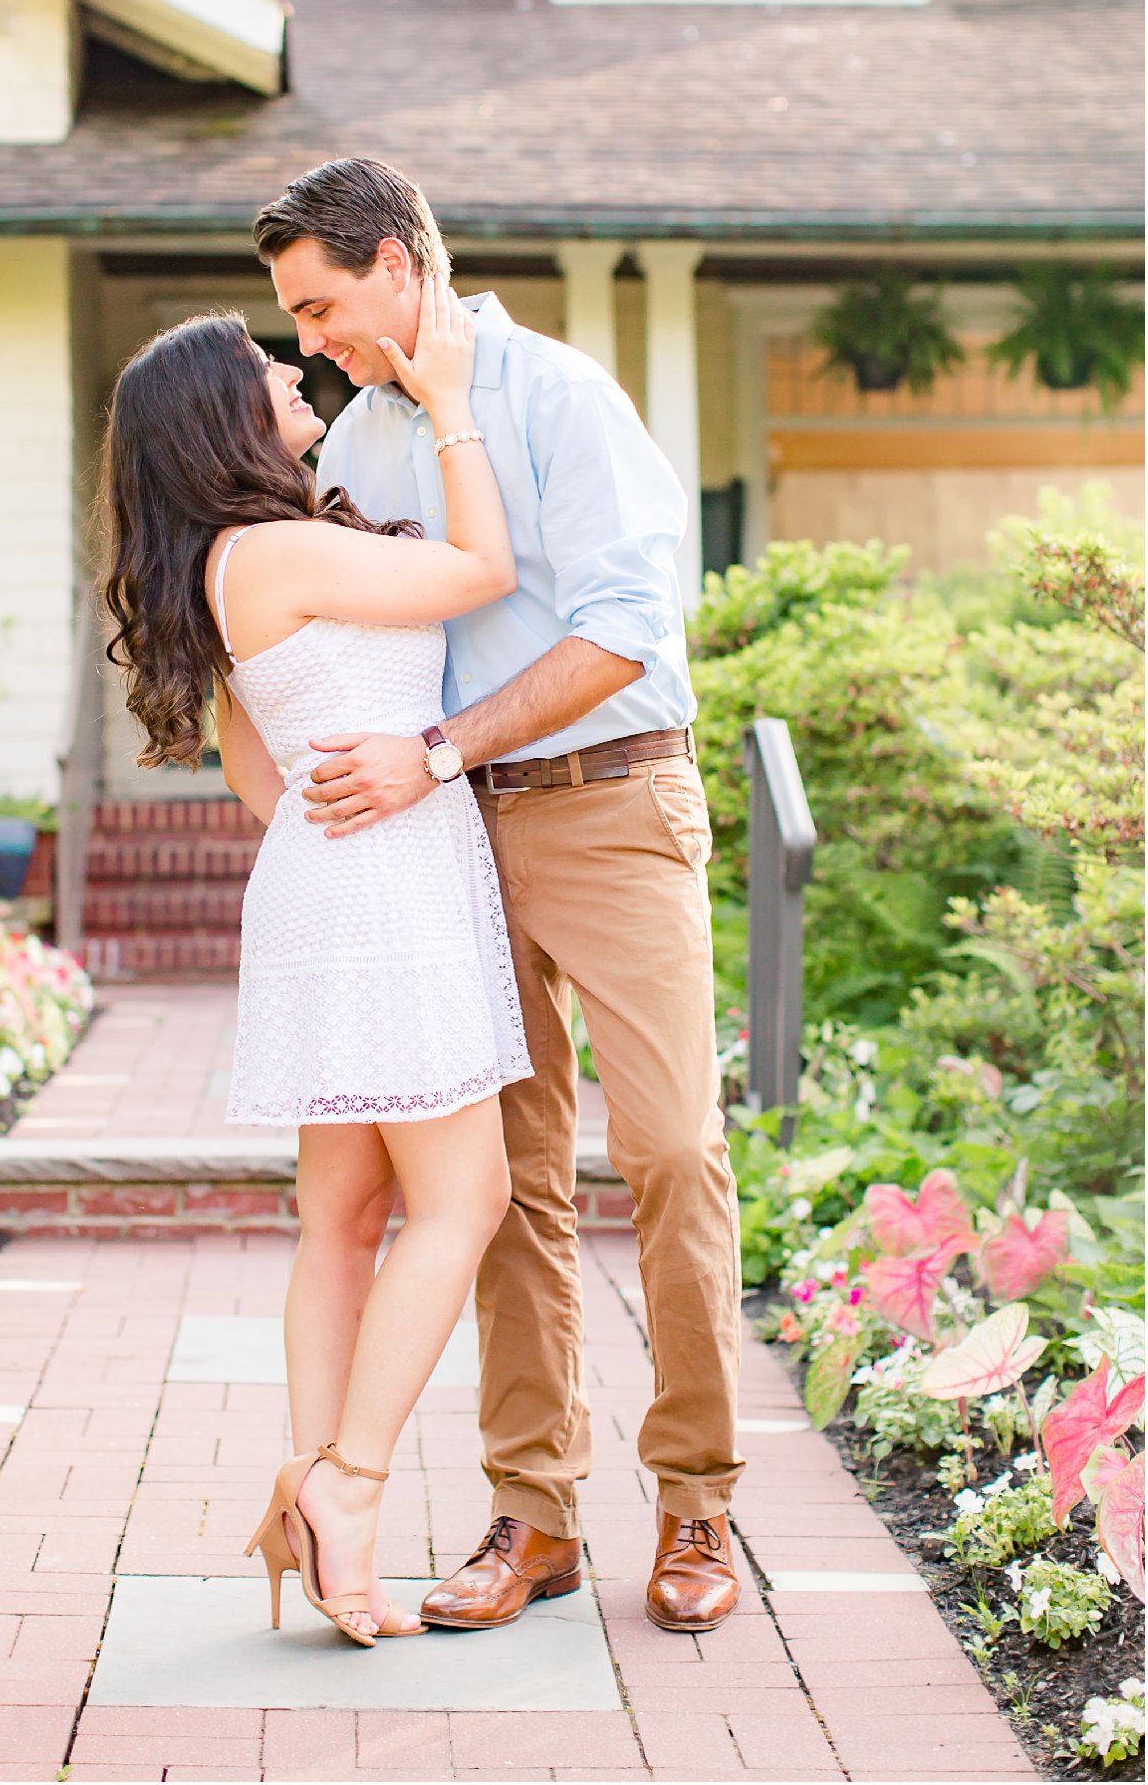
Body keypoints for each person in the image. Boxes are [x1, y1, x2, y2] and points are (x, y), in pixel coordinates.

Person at [254, 156, 744, 1635]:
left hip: (610, 802)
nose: (314, 343)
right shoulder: (364, 447)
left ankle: (699, 1495)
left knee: (665, 1149)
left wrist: (441, 747)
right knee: (507, 1184)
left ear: (402, 264)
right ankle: (533, 1512)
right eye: (294, 321)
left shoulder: (562, 396)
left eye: (325, 306)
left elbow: (622, 630)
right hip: (454, 838)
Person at [99, 276, 532, 1648]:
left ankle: (311, 1490)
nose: (295, 368)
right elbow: (482, 573)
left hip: (337, 874)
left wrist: (331, 817)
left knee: (343, 1213)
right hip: (385, 878)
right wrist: (454, 407)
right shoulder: (271, 551)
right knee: (465, 1198)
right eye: (264, 364)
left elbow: (256, 771)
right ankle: (349, 1481)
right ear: (221, 418)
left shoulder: (239, 555)